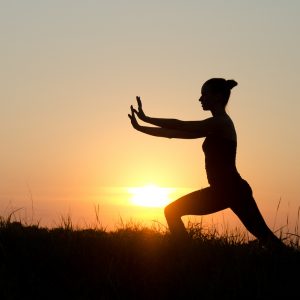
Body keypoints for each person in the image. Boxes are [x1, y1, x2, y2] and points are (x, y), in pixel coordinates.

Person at [128, 78, 284, 250]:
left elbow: (181, 124)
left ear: (217, 97)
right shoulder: (212, 127)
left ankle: (187, 256)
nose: (200, 99)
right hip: (223, 191)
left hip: (233, 190)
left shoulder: (221, 122)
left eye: (204, 94)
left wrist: (147, 118)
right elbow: (173, 132)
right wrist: (141, 127)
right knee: (172, 211)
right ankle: (188, 256)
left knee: (266, 237)